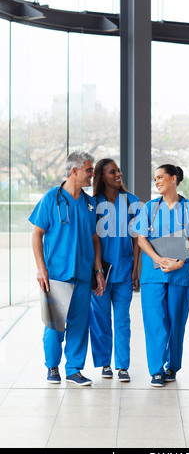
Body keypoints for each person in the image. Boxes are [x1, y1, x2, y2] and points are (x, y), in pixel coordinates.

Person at [29, 151, 105, 386]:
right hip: (56, 274)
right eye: (89, 170)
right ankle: (52, 367)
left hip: (83, 273)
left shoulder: (89, 203)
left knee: (79, 325)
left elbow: (94, 238)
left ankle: (74, 369)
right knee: (54, 325)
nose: (93, 175)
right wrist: (41, 269)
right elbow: (36, 235)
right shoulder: (51, 198)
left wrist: (99, 271)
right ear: (75, 171)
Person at [131, 164, 189, 387]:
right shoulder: (150, 207)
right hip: (153, 275)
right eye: (155, 179)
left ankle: (172, 366)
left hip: (180, 275)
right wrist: (158, 259)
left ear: (173, 179)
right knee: (155, 323)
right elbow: (141, 238)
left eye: (161, 177)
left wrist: (180, 262)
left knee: (176, 322)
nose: (157, 182)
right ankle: (156, 370)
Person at [89, 158, 141, 382]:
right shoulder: (92, 203)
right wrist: (96, 269)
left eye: (118, 170)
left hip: (124, 270)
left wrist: (135, 269)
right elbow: (91, 239)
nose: (118, 174)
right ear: (102, 176)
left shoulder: (132, 201)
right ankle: (104, 364)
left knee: (122, 320)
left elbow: (138, 238)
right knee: (100, 320)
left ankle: (122, 365)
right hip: (99, 273)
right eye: (112, 172)